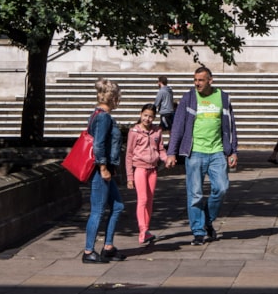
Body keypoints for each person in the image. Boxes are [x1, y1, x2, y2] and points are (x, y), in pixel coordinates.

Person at [165, 66, 238, 246]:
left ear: (210, 80)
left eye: (201, 80)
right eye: (195, 80)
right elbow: (178, 126)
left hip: (217, 152)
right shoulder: (189, 98)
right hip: (195, 152)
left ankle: (206, 219)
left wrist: (233, 150)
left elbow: (231, 126)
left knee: (222, 188)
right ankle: (198, 231)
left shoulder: (223, 97)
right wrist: (171, 152)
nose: (197, 83)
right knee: (195, 194)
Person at [82, 78, 127, 264]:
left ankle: (108, 247)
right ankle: (88, 251)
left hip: (107, 168)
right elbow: (99, 145)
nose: (119, 100)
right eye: (118, 97)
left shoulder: (100, 115)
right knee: (98, 211)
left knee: (117, 206)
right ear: (112, 97)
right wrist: (102, 167)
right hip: (101, 170)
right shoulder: (103, 117)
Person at [125, 103, 165, 245]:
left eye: (151, 117)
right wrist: (130, 177)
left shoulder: (156, 132)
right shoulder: (134, 132)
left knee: (149, 199)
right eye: (145, 115)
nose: (147, 119)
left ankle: (146, 229)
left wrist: (167, 159)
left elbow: (160, 150)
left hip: (152, 170)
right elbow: (129, 155)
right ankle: (142, 230)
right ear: (141, 114)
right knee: (142, 199)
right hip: (140, 169)